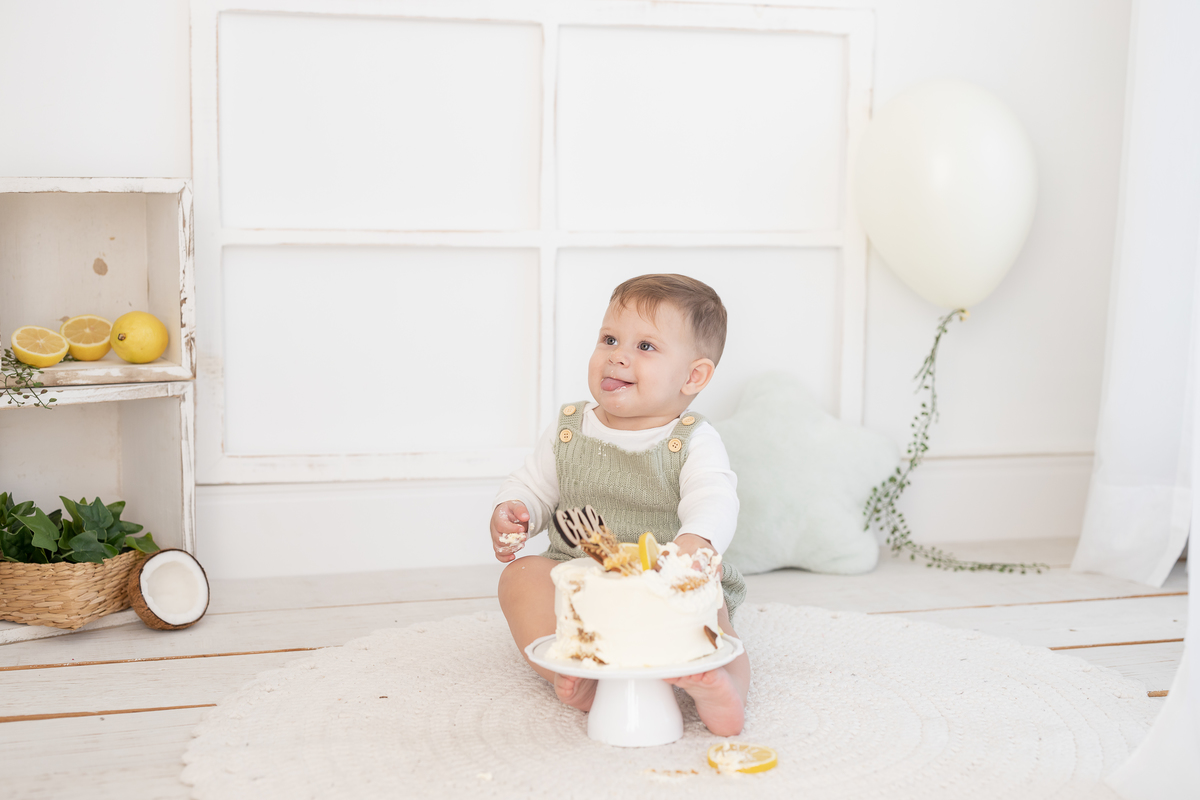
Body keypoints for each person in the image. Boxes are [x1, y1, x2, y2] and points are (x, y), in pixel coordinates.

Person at [490, 273, 749, 736]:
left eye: (645, 346)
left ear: (693, 376)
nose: (618, 355)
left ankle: (723, 690)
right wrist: (517, 509)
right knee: (520, 577)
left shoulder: (693, 440)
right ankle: (578, 674)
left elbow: (713, 495)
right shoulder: (569, 429)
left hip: (667, 578)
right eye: (609, 339)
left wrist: (696, 544)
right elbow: (534, 484)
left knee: (713, 616)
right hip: (579, 576)